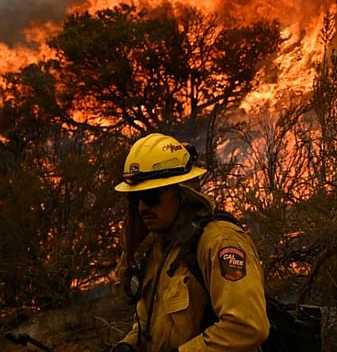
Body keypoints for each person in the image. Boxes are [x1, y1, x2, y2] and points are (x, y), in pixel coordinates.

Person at [111, 133, 270, 352]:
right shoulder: (160, 249)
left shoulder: (220, 242)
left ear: (182, 194)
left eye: (150, 197)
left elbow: (247, 326)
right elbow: (151, 326)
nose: (142, 208)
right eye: (135, 199)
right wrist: (128, 346)